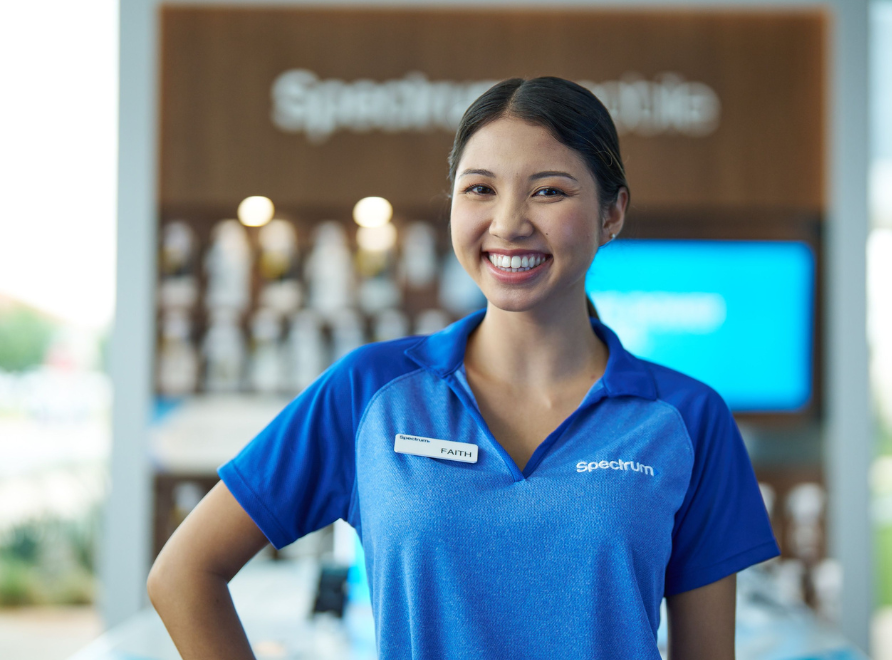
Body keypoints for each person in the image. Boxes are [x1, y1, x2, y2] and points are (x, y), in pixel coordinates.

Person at [148, 76, 779, 660]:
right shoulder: (370, 392)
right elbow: (183, 575)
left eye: (549, 191)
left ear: (611, 213)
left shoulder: (687, 419)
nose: (508, 223)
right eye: (480, 189)